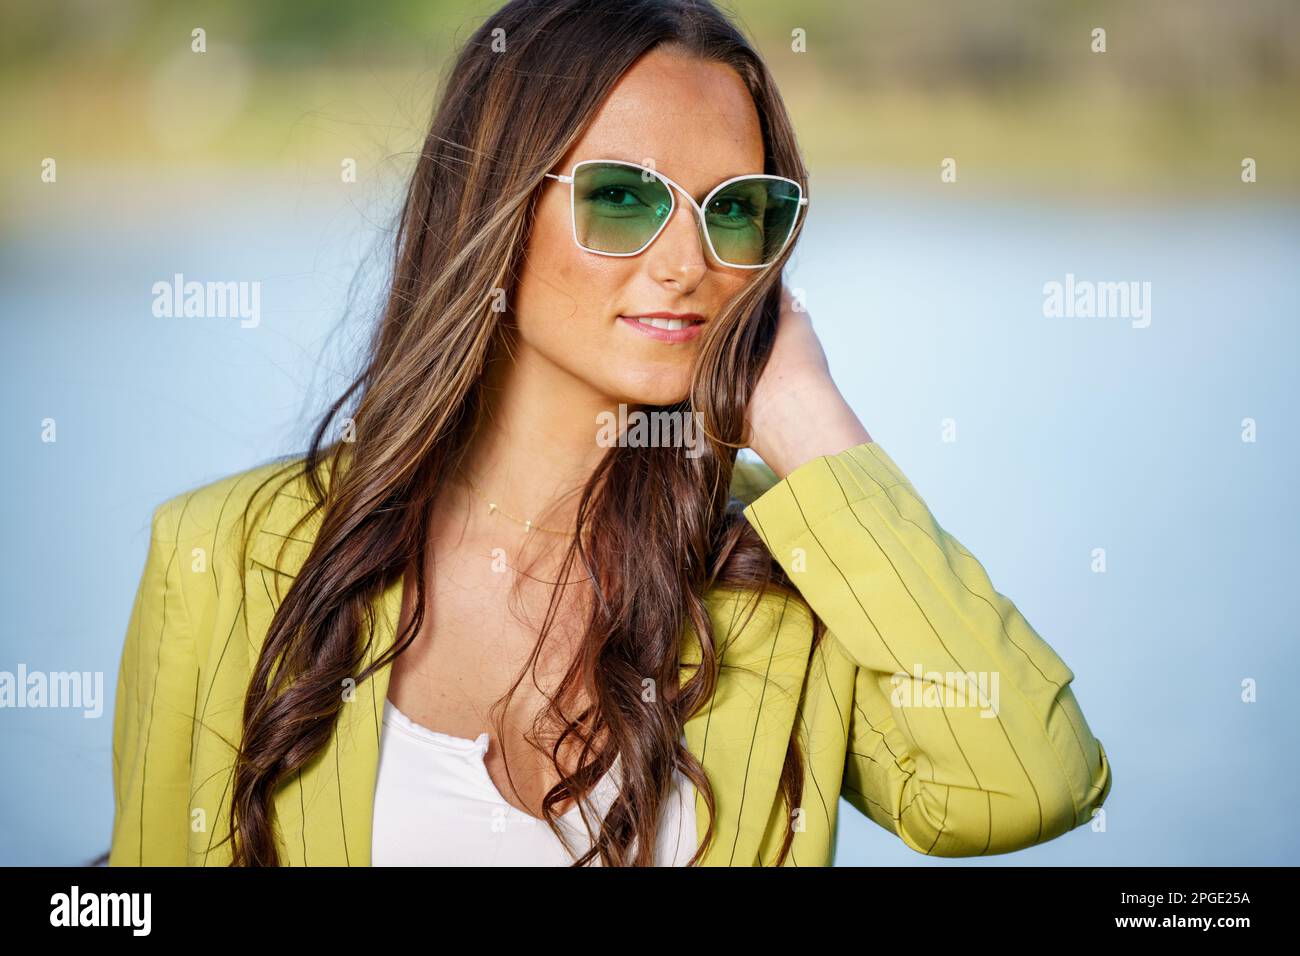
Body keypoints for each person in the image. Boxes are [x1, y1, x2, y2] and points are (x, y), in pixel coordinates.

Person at [108, 0, 1111, 867]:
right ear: (494, 210)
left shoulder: (785, 572)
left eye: (738, 211)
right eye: (624, 197)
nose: (688, 262)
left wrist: (808, 421)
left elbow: (1030, 776)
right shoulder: (224, 554)